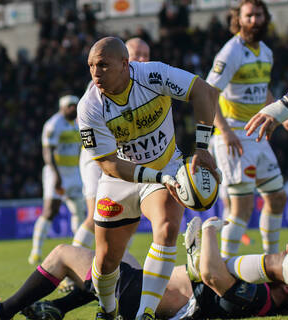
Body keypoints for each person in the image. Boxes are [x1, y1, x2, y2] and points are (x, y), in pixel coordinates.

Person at [78, 36, 219, 320]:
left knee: (167, 227)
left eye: (103, 65)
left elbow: (204, 91)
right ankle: (107, 311)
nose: (95, 73)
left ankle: (146, 314)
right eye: (91, 65)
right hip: (120, 177)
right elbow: (108, 164)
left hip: (166, 165)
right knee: (106, 260)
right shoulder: (89, 106)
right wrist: (156, 177)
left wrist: (202, 148)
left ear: (125, 64)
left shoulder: (154, 74)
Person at [0, 216, 288, 320]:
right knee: (119, 255)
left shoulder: (258, 299)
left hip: (143, 297)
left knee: (63, 254)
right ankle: (58, 308)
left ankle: (1, 310)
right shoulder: (266, 295)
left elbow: (212, 273)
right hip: (151, 288)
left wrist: (211, 228)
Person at [206, 0, 286, 259]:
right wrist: (225, 131)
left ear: (266, 17)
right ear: (238, 19)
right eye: (249, 16)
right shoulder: (231, 52)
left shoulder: (266, 52)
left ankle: (272, 260)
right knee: (241, 207)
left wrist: (281, 117)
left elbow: (264, 92)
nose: (254, 20)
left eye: (258, 15)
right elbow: (209, 93)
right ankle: (225, 265)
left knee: (277, 198)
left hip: (257, 134)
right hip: (234, 137)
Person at [72, 37, 151, 251]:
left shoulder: (145, 83)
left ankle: (115, 270)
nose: (143, 59)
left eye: (146, 54)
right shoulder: (103, 81)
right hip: (98, 157)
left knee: (127, 218)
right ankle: (71, 272)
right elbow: (83, 121)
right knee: (95, 215)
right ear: (124, 59)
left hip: (125, 157)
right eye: (138, 54)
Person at [28, 95, 85, 265]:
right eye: (70, 106)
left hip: (75, 171)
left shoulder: (78, 123)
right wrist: (56, 176)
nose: (73, 109)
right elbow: (48, 153)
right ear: (62, 107)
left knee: (79, 210)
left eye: (75, 105)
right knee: (50, 210)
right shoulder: (53, 124)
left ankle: (78, 248)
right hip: (57, 172)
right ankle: (36, 251)